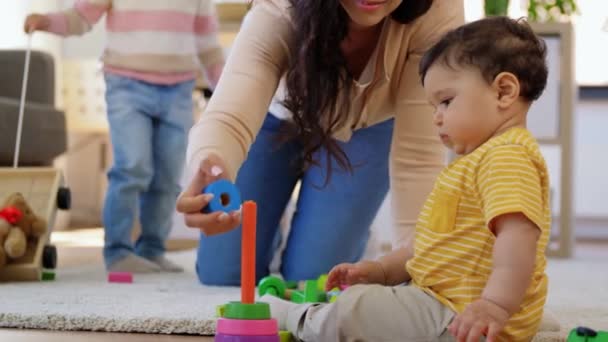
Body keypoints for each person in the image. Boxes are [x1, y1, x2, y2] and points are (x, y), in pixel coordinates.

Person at [259, 16, 551, 341]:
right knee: (370, 303)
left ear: (504, 91)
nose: (437, 117)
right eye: (433, 106)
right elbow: (427, 246)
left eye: (446, 101)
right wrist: (381, 271)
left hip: (463, 316)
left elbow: (518, 240)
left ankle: (296, 318)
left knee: (353, 310)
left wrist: (495, 305)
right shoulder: (475, 163)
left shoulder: (507, 156)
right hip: (448, 307)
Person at [176, 0, 465, 285]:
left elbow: (419, 158)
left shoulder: (439, 11)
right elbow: (229, 116)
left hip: (367, 127)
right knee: (224, 274)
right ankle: (271, 221)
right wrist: (211, 162)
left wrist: (415, 264)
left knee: (316, 279)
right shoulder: (280, 7)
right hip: (276, 117)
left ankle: (344, 228)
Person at [24, 0, 225, 273]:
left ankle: (152, 249)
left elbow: (209, 46)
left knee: (167, 175)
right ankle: (118, 252)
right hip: (126, 85)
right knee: (132, 166)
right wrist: (48, 22)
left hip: (179, 90)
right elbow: (82, 17)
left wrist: (228, 96)